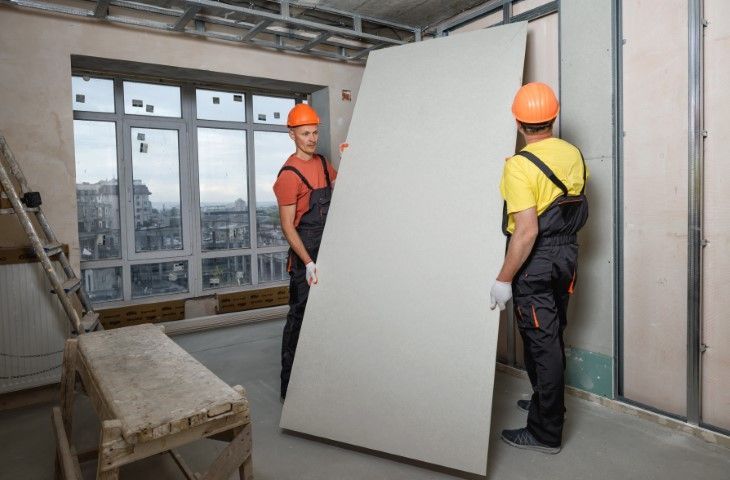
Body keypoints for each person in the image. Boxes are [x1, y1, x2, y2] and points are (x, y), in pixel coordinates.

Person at [490, 82, 589, 453]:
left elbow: (527, 231)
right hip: (567, 258)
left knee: (542, 344)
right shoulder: (573, 153)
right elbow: (563, 197)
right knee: (548, 337)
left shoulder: (519, 167)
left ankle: (546, 432)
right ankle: (543, 403)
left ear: (518, 122)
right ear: (553, 116)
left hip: (536, 262)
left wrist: (503, 278)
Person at [273, 104, 337, 402]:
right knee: (299, 320)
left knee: (329, 319)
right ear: (292, 134)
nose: (312, 139)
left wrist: (351, 160)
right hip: (306, 259)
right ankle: (291, 391)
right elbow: (287, 226)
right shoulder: (289, 175)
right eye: (305, 133)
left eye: (315, 132)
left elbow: (345, 190)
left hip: (331, 251)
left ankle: (323, 381)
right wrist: (309, 263)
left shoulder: (324, 164)